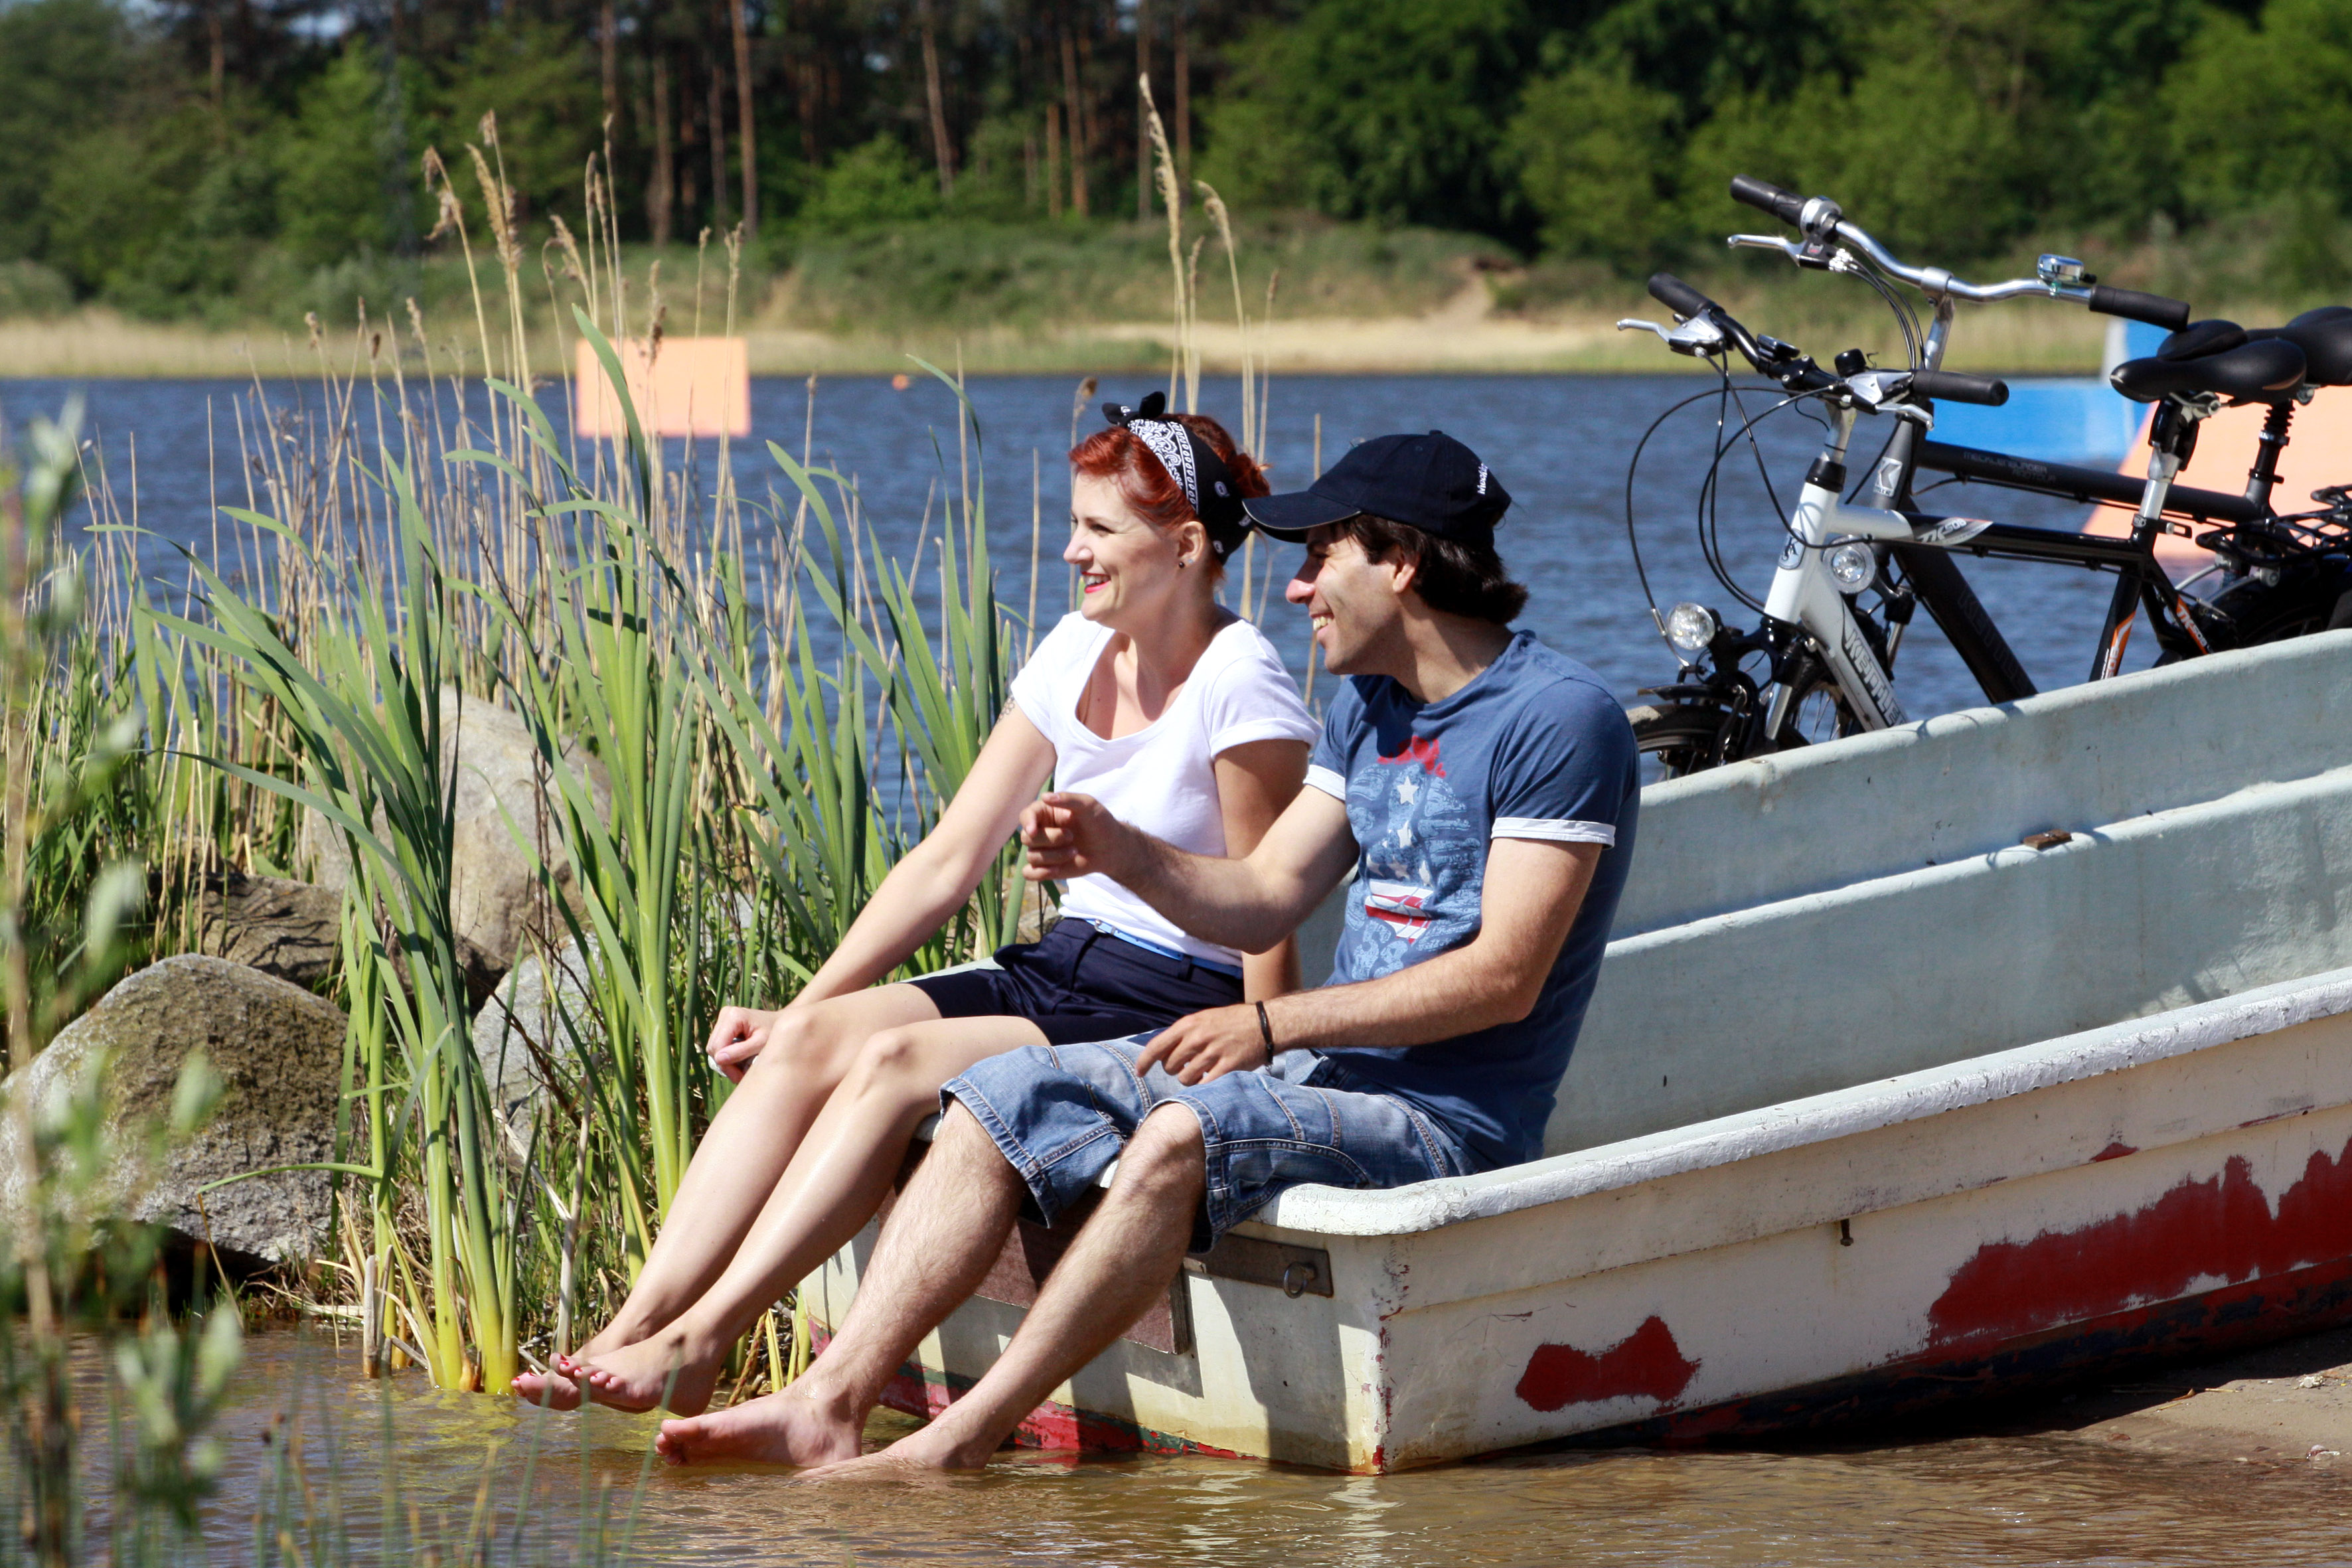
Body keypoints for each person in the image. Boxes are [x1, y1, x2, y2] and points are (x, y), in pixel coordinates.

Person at [649, 430, 1639, 1475]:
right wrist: (1122, 849)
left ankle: (958, 1438)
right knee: (1004, 1092)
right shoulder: (1372, 709)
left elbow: (1504, 977)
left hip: (1443, 1121)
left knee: (1176, 1132)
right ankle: (830, 1401)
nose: (1296, 589)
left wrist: (1268, 1025)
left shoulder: (1558, 719)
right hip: (1328, 1078)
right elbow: (1262, 896)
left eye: (1319, 558)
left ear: (1400, 565)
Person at [510, 394, 1318, 1415]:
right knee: (812, 1044)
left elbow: (1266, 904)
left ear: (1188, 544)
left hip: (1173, 994)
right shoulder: (1076, 647)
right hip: (1067, 959)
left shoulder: (1241, 679)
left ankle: (706, 1335)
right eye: (1073, 525)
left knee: (892, 1063)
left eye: (1098, 530)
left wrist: (1269, 1060)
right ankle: (635, 1329)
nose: (1072, 550)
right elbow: (947, 859)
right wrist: (805, 1004)